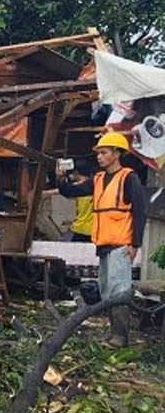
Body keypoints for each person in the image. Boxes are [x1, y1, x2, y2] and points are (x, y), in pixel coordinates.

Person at [58, 132, 147, 347]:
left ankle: (120, 337)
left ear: (117, 154)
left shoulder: (129, 178)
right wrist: (60, 178)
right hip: (104, 245)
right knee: (107, 291)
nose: (99, 156)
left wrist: (135, 244)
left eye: (104, 152)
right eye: (98, 152)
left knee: (119, 291)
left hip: (121, 245)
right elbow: (70, 191)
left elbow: (140, 212)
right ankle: (113, 333)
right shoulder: (98, 179)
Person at [66, 160, 95, 243]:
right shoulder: (95, 184)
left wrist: (45, 193)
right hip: (93, 229)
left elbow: (67, 190)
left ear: (76, 172)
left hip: (80, 227)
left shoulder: (78, 187)